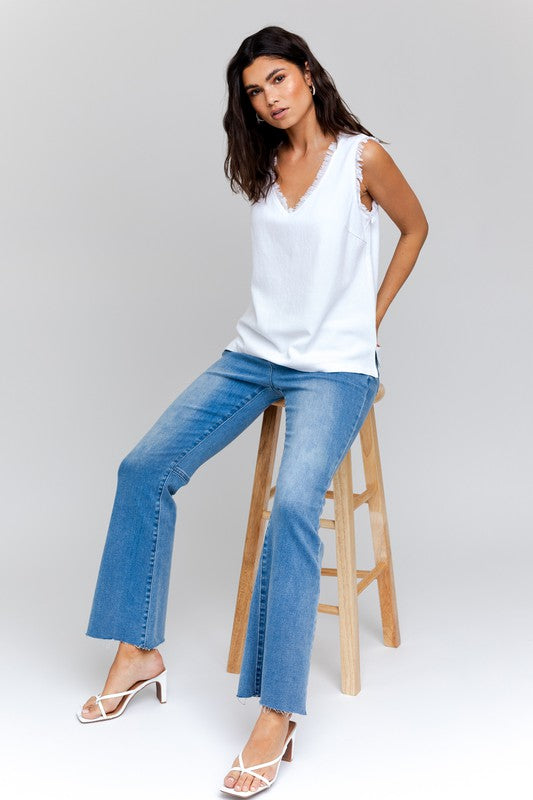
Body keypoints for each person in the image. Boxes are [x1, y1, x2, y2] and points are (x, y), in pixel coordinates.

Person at [77, 24, 429, 797]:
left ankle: (277, 713)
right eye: (253, 91)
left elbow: (415, 228)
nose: (268, 99)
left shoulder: (361, 156)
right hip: (256, 354)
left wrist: (369, 319)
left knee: (294, 505)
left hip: (334, 368)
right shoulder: (266, 163)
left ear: (306, 73)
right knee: (142, 469)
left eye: (276, 79)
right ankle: (138, 651)